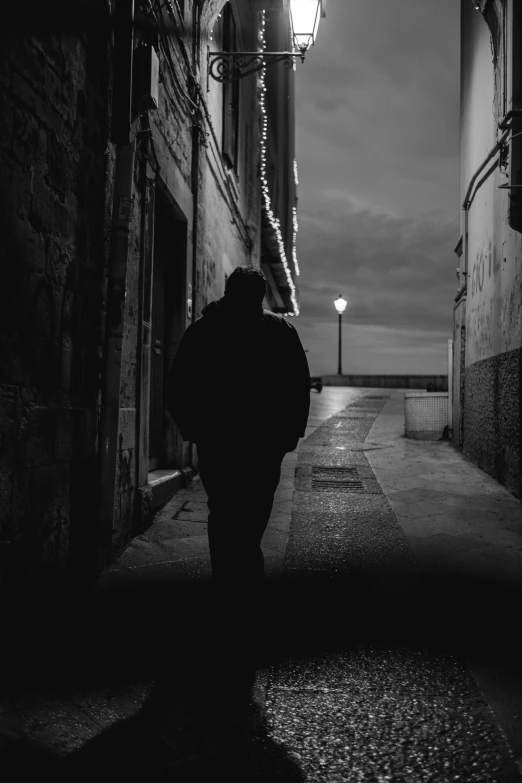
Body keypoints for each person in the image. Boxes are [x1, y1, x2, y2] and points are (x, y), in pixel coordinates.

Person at [167, 265, 310, 596]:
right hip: (262, 443)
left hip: (221, 442)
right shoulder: (281, 331)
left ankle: (227, 575)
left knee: (225, 509)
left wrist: (194, 429)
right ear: (260, 296)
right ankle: (246, 574)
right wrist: (289, 435)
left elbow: (179, 385)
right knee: (254, 508)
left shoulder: (203, 330)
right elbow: (297, 387)